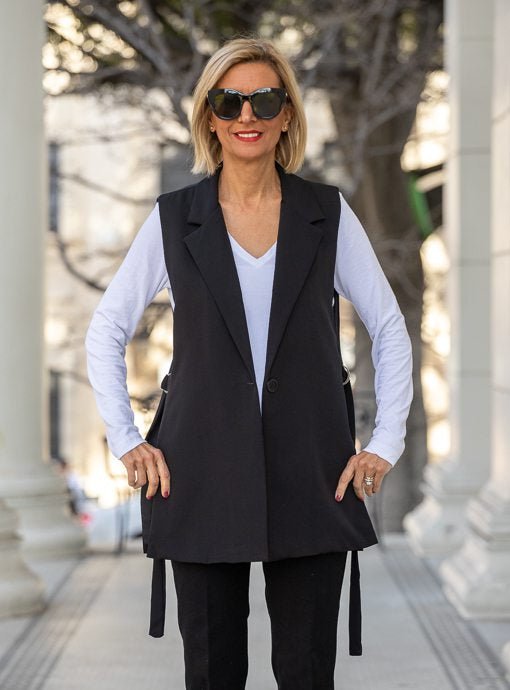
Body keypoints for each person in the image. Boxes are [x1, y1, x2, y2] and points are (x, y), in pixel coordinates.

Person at [85, 36, 413, 690]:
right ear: (209, 117)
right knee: (212, 673)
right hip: (198, 471)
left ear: (286, 113)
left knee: (306, 673)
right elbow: (106, 329)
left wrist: (385, 443)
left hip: (313, 472)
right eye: (228, 101)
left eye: (264, 99)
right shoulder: (175, 220)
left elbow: (389, 326)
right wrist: (126, 440)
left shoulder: (327, 214)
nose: (246, 115)